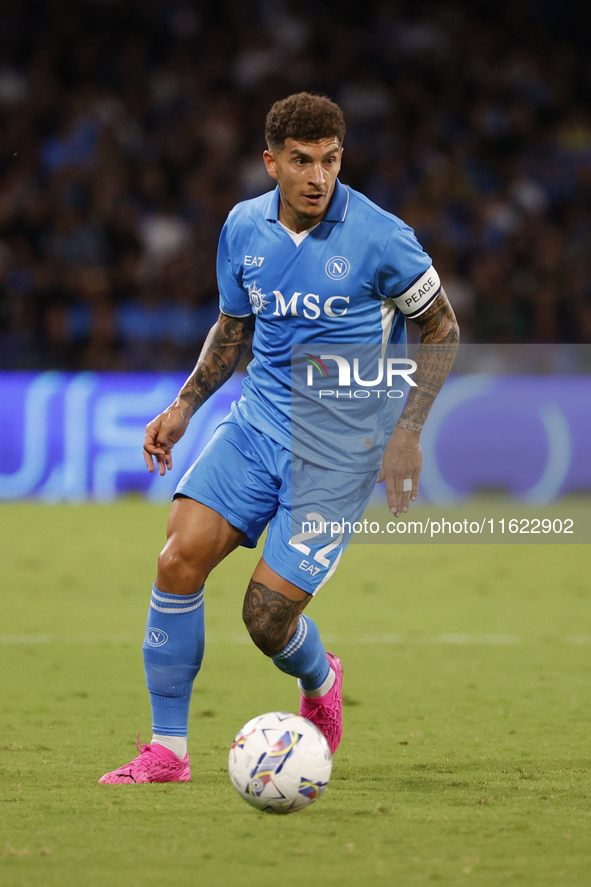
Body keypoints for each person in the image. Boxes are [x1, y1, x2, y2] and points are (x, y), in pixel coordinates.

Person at [99, 92, 459, 785]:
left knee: (265, 619)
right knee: (176, 561)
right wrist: (184, 407)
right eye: (300, 161)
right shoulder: (241, 228)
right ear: (271, 163)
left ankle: (320, 679)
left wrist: (407, 432)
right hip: (257, 424)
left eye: (329, 159)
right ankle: (168, 751)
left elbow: (440, 327)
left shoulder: (382, 238)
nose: (317, 176)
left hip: (338, 451)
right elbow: (234, 327)